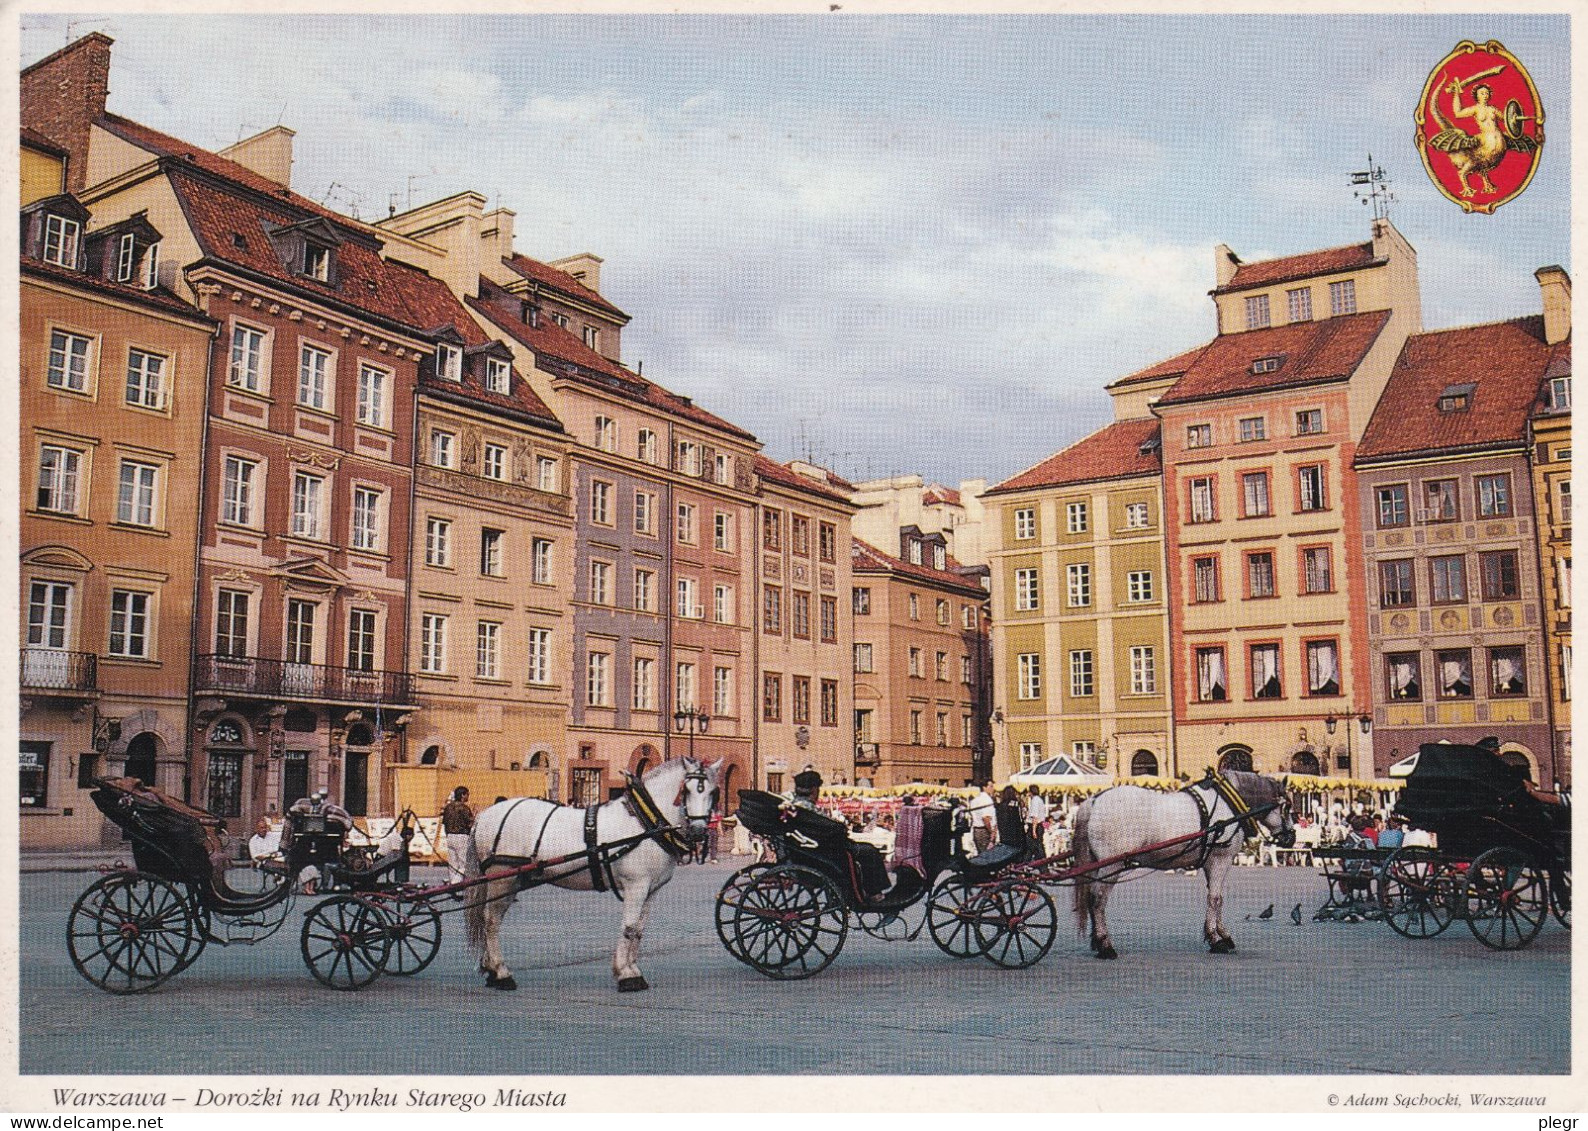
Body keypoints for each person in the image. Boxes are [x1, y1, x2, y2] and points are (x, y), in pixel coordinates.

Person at [441, 786, 475, 879]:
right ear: (463, 795)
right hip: (461, 836)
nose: (468, 797)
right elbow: (470, 823)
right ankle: (458, 883)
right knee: (463, 863)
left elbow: (444, 822)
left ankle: (453, 883)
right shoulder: (464, 808)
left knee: (453, 865)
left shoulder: (448, 807)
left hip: (449, 836)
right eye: (467, 794)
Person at [966, 782, 996, 855]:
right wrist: (992, 831)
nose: (993, 789)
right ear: (984, 787)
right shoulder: (986, 799)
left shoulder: (975, 799)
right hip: (984, 831)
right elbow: (985, 818)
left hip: (976, 830)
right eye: (991, 786)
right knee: (988, 856)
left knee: (981, 855)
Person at [995, 785, 1026, 855]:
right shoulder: (1015, 805)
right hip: (1016, 833)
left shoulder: (1000, 806)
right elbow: (1021, 817)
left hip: (1004, 833)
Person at [1025, 786, 1049, 854]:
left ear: (1030, 792)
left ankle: (1038, 861)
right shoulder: (1040, 799)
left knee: (1034, 845)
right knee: (1038, 845)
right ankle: (1042, 861)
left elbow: (1035, 817)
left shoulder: (1035, 800)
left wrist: (1033, 831)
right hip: (1040, 825)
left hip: (1036, 826)